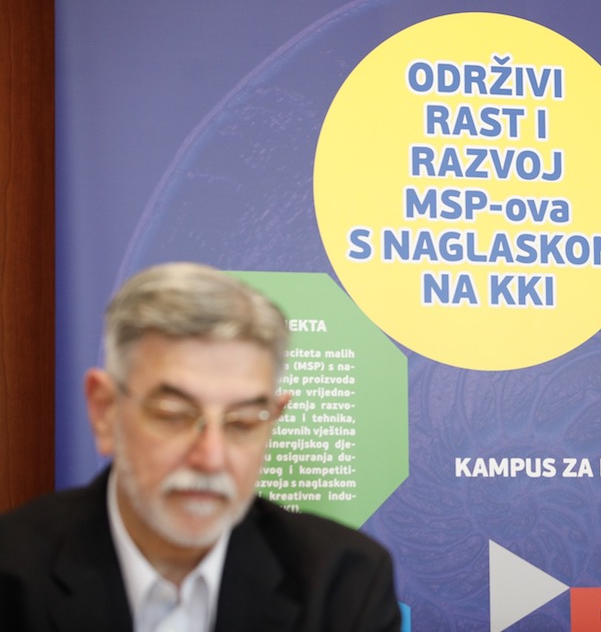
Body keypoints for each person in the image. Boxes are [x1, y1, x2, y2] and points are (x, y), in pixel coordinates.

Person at [0, 262, 401, 631]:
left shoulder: (344, 586)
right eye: (174, 415)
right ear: (105, 411)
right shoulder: (12, 575)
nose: (211, 458)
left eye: (243, 422)